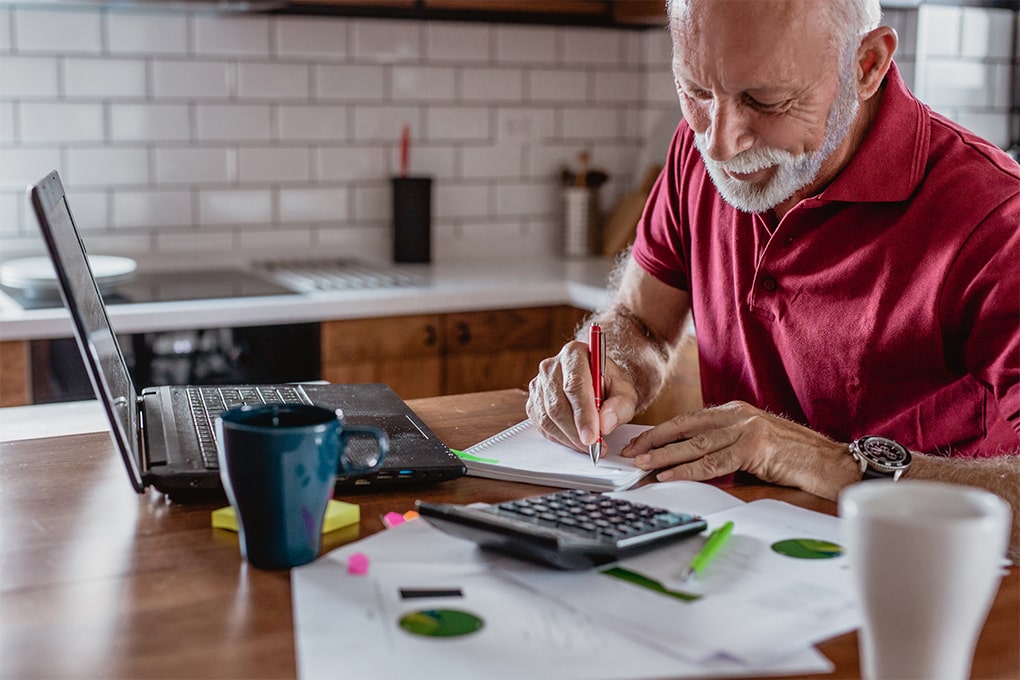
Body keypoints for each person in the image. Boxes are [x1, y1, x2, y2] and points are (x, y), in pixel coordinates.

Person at [527, 0, 1020, 558]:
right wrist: (608, 366)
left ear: (867, 65)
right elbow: (640, 322)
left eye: (765, 100)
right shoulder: (698, 155)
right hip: (736, 558)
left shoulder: (996, 219)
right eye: (696, 92)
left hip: (924, 580)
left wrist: (829, 462)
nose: (718, 142)